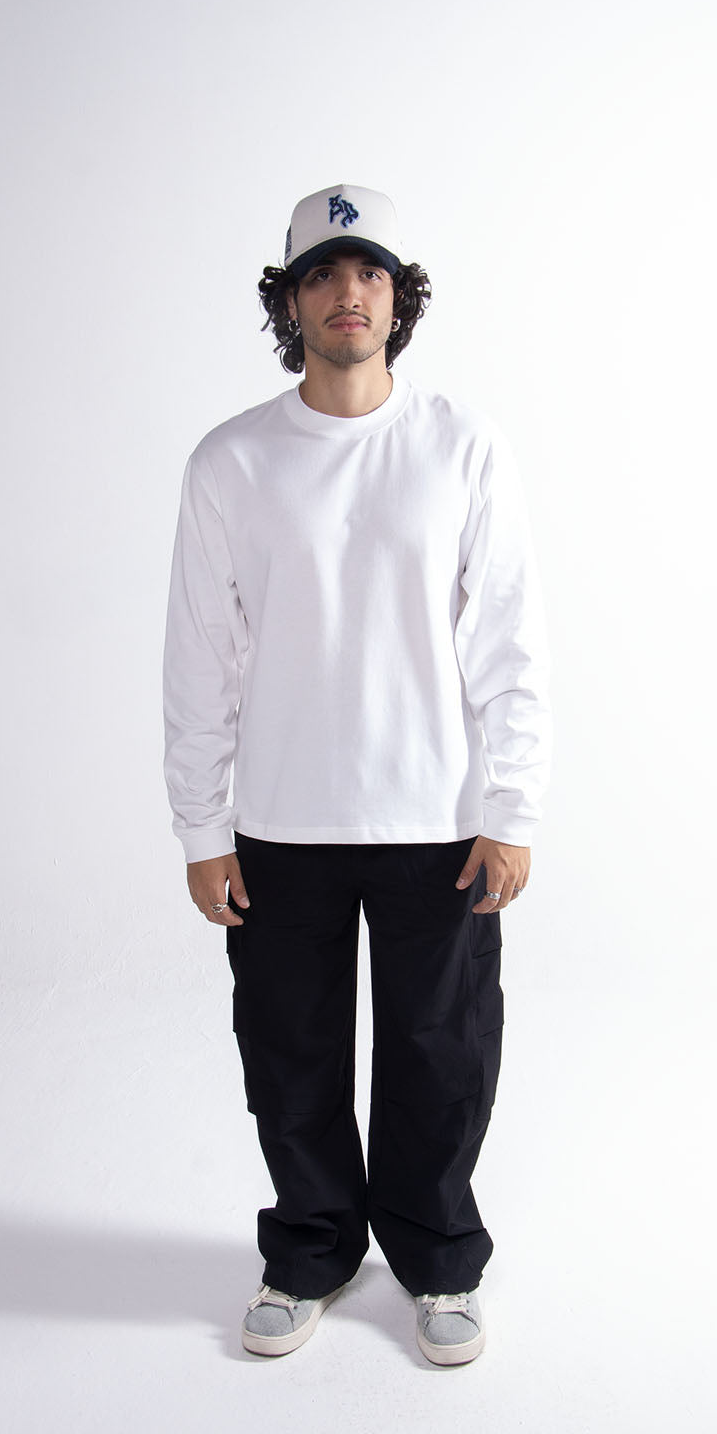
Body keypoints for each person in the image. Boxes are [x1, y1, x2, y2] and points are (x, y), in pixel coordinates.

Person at [162, 183, 552, 1366]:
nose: (349, 293)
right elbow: (199, 653)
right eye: (324, 274)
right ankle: (311, 1249)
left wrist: (512, 807)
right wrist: (202, 827)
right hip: (283, 819)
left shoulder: (461, 445)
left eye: (370, 272)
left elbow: (512, 639)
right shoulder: (233, 462)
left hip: (438, 816)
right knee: (289, 1051)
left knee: (441, 1051)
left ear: (399, 297)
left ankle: (437, 1255)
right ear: (289, 301)